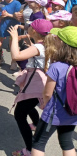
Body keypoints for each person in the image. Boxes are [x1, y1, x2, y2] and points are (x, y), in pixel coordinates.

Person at [8, 20, 53, 156]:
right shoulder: (45, 44)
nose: (27, 29)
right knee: (28, 104)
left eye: (29, 27)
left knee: (19, 114)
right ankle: (36, 123)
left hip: (37, 83)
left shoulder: (38, 48)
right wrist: (32, 45)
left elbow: (16, 56)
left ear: (33, 31)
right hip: (42, 82)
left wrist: (15, 38)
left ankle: (29, 149)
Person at [31, 26, 77, 156]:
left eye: (58, 39)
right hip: (73, 113)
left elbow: (47, 93)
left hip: (53, 113)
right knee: (67, 142)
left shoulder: (56, 67)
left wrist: (44, 103)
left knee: (38, 143)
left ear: (62, 44)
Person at [0, 0, 21, 65]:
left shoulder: (17, 4)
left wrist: (8, 15)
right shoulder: (1, 4)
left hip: (13, 25)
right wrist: (1, 16)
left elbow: (19, 17)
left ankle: (14, 61)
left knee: (12, 44)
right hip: (3, 25)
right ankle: (0, 57)